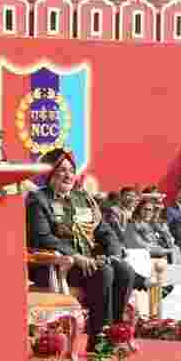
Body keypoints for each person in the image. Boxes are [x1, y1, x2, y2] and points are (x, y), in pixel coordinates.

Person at [25, 150, 131, 349]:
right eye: (62, 170)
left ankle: (114, 335)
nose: (68, 175)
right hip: (56, 267)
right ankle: (99, 339)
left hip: (88, 263)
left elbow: (105, 231)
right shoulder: (38, 200)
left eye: (71, 171)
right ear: (49, 173)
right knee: (104, 272)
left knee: (124, 270)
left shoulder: (82, 199)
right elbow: (43, 238)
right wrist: (76, 256)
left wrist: (113, 253)